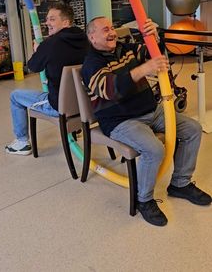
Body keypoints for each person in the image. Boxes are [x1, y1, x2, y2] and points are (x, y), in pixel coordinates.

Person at [82, 16, 211, 227]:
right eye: (105, 30)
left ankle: (180, 183)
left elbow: (155, 53)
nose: (112, 32)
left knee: (193, 129)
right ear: (92, 36)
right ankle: (144, 200)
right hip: (120, 121)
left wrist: (154, 36)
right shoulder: (91, 63)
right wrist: (144, 68)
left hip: (152, 111)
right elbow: (109, 89)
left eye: (112, 27)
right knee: (154, 150)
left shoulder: (126, 49)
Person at [6, 2, 89, 156]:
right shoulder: (84, 38)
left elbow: (33, 66)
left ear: (65, 22)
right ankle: (75, 128)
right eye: (47, 19)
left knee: (15, 96)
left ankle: (22, 142)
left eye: (52, 19)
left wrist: (38, 50)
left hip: (59, 105)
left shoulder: (50, 43)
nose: (47, 23)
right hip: (85, 104)